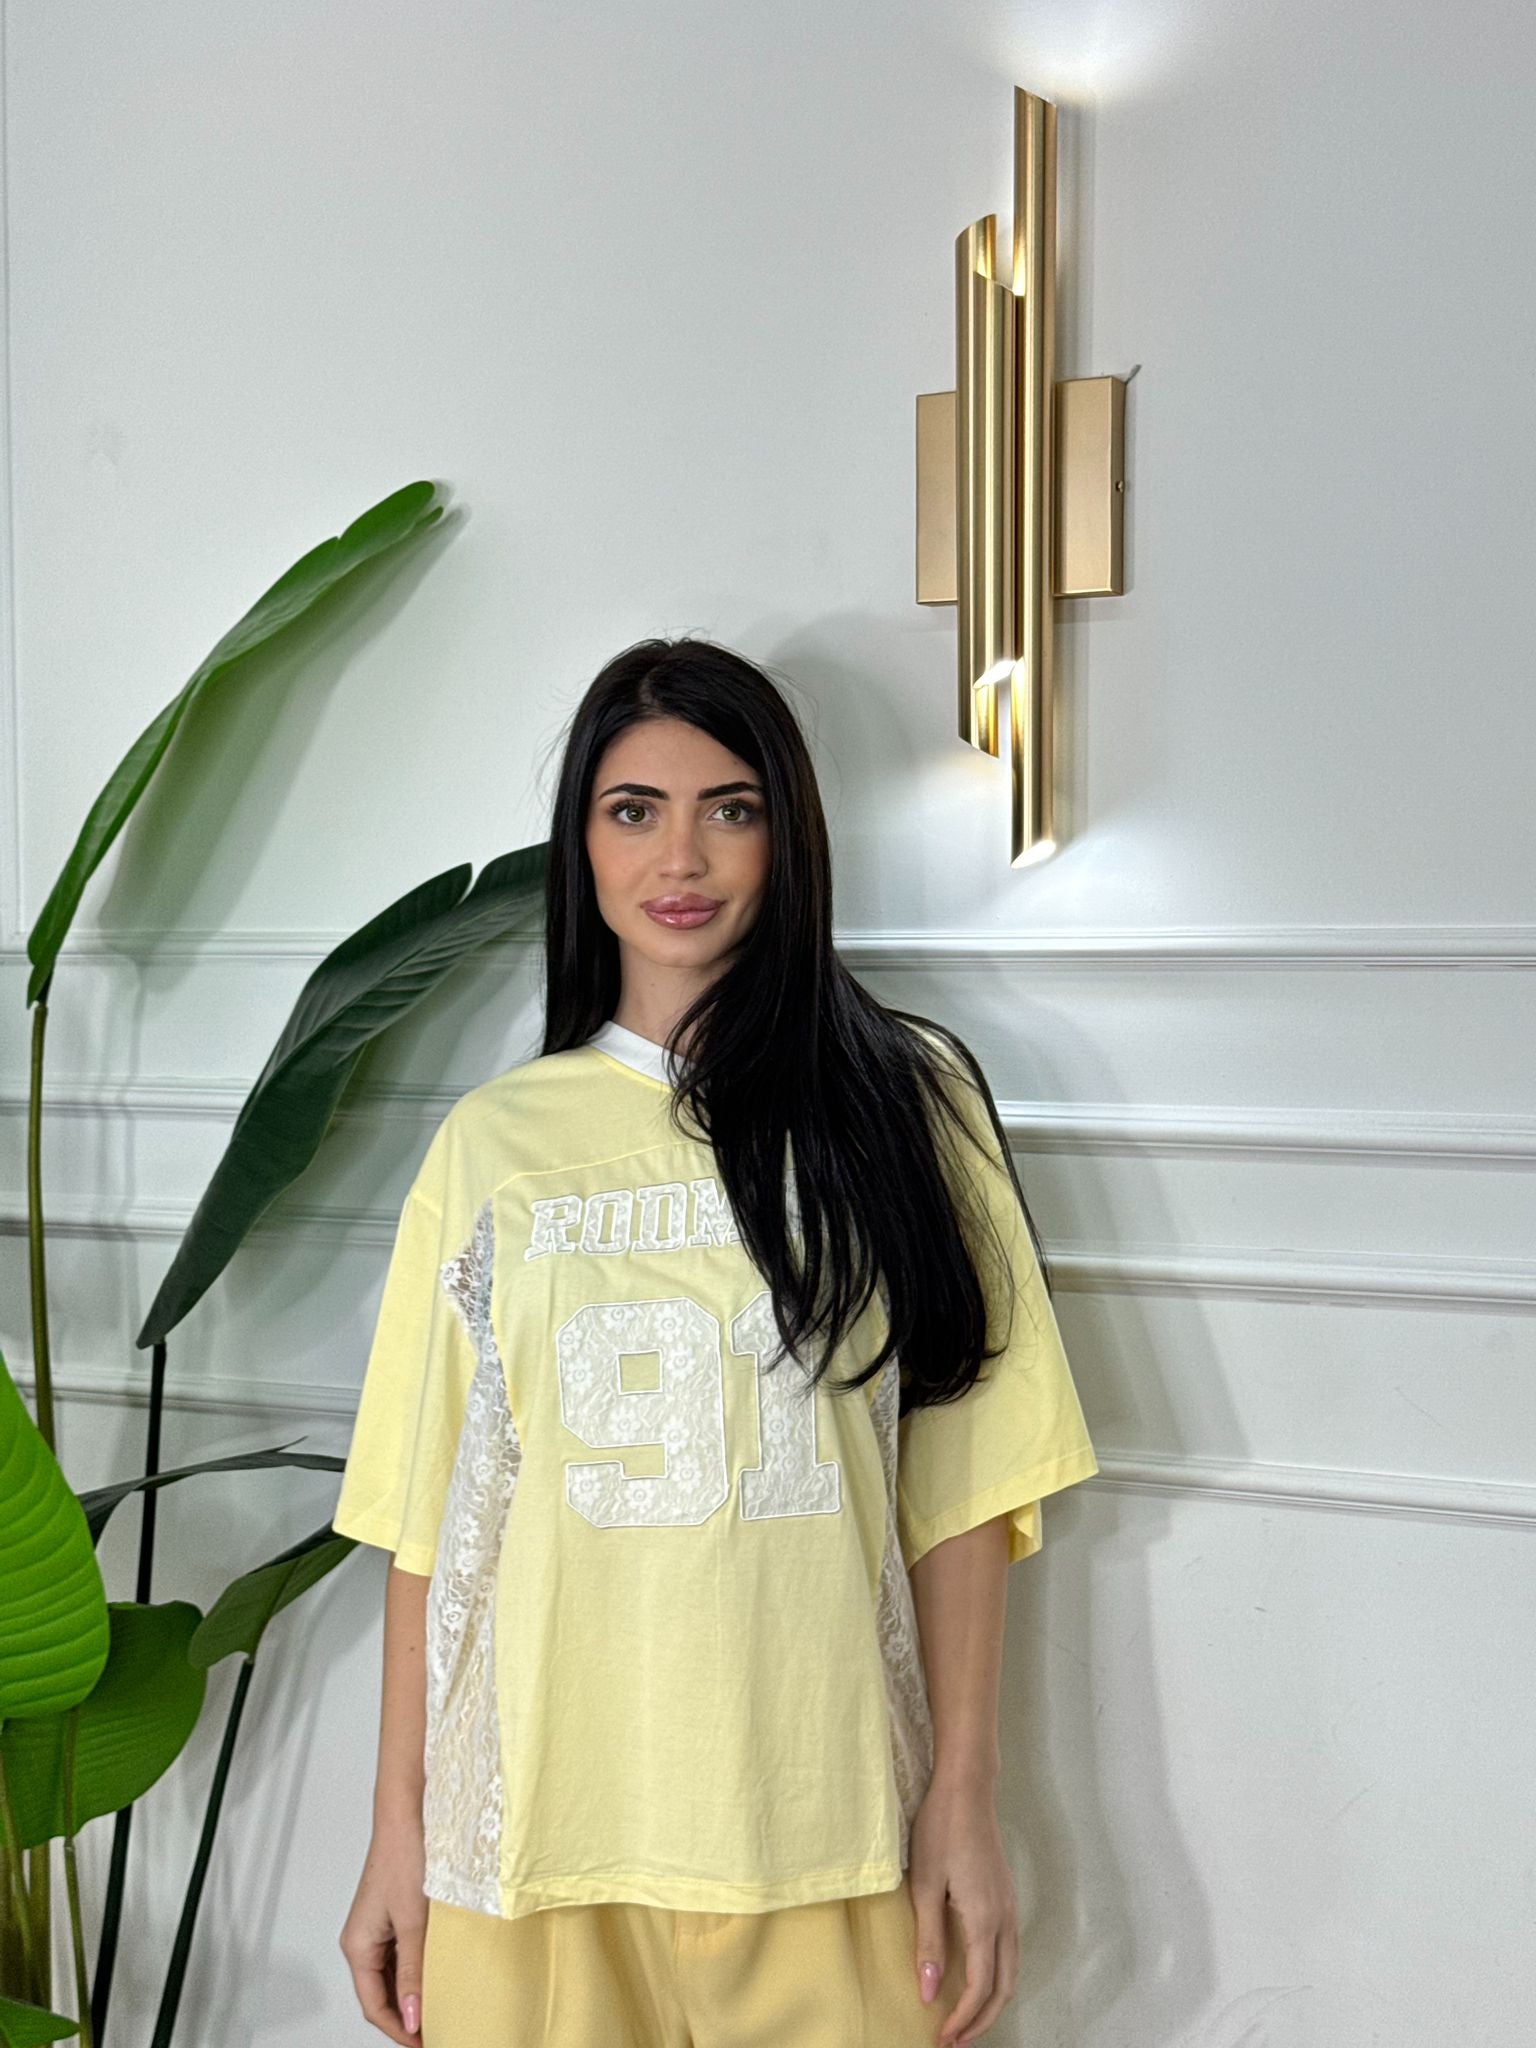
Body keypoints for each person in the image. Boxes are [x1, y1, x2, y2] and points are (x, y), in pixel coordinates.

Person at [334, 636, 1099, 2048]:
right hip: (532, 1848)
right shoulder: (494, 1145)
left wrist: (963, 1797)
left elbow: (967, 1495)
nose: (680, 856)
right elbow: (429, 1530)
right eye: (634, 810)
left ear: (786, 834)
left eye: (729, 808)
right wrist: (397, 1831)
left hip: (828, 1829)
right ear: (582, 843)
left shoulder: (907, 1106)